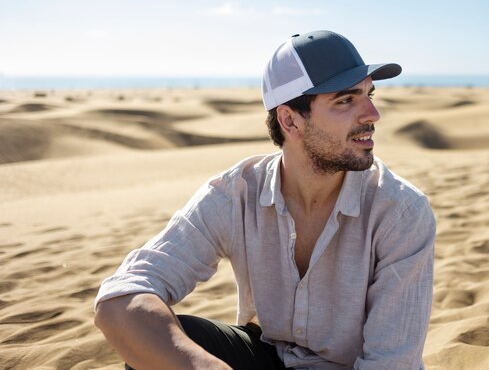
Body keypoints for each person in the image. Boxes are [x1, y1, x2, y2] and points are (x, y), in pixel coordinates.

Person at [94, 30, 436, 370]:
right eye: (346, 100)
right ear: (290, 120)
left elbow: (392, 364)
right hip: (269, 359)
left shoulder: (401, 212)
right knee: (160, 345)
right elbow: (121, 297)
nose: (372, 114)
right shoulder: (236, 195)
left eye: (368, 94)